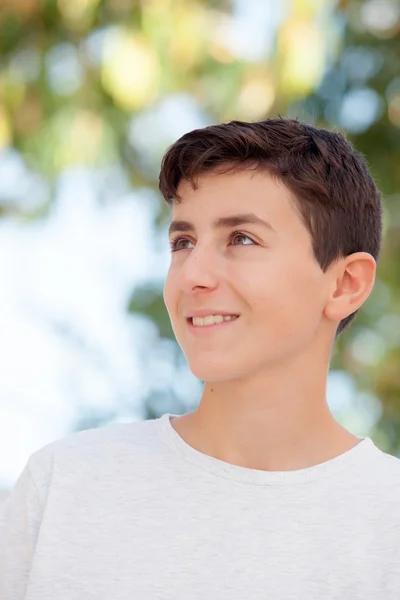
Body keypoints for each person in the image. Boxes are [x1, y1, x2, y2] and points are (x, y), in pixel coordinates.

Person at [1, 117, 399, 599]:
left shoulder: (388, 523)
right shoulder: (62, 488)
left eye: (241, 239)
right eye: (182, 242)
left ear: (344, 284)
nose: (193, 274)